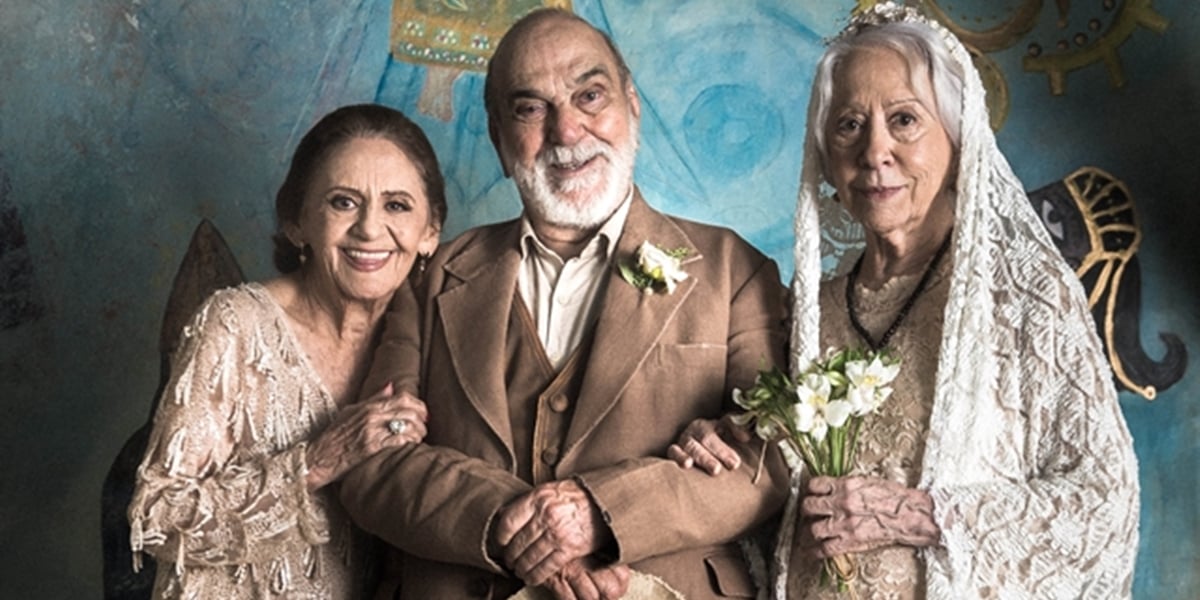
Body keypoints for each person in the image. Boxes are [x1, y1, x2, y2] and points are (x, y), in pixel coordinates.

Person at [673, 3, 1140, 598]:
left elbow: (1104, 504)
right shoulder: (814, 314)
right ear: (824, 153)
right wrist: (720, 447)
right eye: (848, 125)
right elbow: (772, 501)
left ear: (957, 133)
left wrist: (918, 515)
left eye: (904, 120)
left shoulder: (1024, 300)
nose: (874, 152)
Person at [337, 8, 790, 600]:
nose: (568, 131)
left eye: (590, 95)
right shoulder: (430, 278)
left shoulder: (735, 269)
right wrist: (505, 524)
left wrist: (601, 514)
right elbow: (374, 463)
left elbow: (768, 463)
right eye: (530, 109)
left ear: (631, 107)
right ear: (500, 143)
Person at [127, 103, 446, 599]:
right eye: (343, 202)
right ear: (297, 222)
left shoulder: (436, 340)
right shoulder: (235, 325)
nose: (369, 228)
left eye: (397, 205)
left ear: (430, 233)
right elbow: (155, 516)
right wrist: (314, 463)